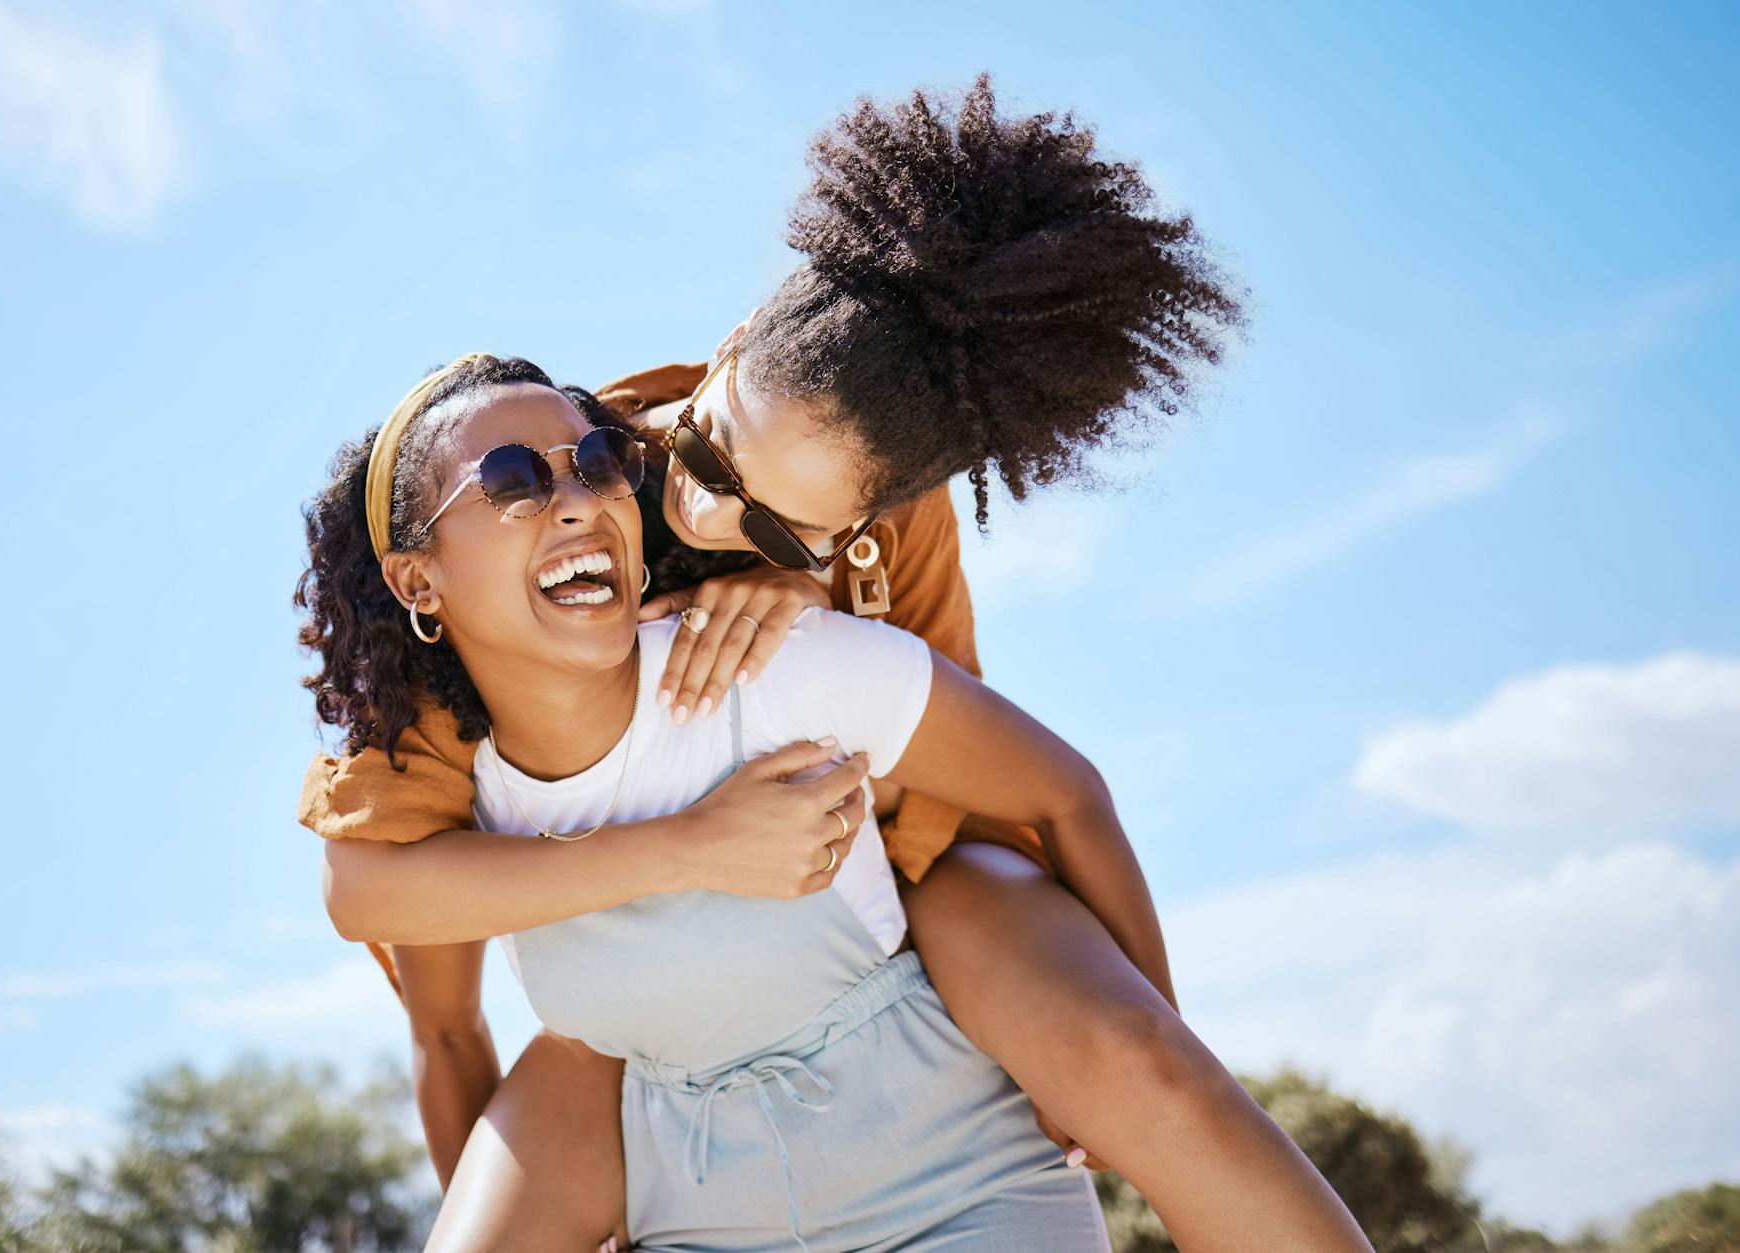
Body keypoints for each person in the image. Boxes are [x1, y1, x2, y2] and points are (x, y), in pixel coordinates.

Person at [298, 79, 1370, 1252]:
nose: (703, 509)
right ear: (723, 356)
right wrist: (696, 842)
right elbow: (385, 903)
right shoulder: (561, 505)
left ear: (856, 516)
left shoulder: (859, 539)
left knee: (1138, 1066)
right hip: (660, 987)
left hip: (921, 868)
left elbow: (1021, 785)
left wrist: (798, 591)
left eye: (769, 526)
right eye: (698, 458)